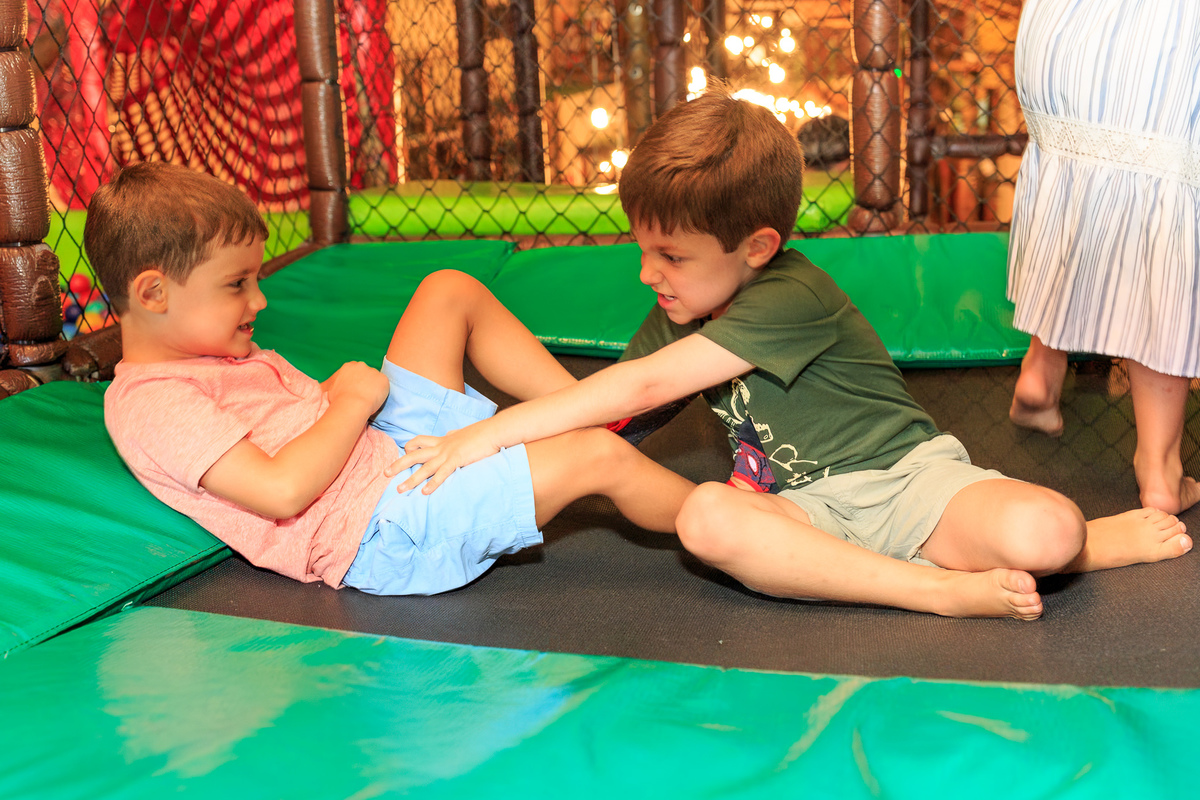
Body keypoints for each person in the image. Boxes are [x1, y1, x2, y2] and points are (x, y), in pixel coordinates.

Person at [389, 90, 1192, 620]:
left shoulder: (792, 294)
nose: (647, 274)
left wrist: (484, 435)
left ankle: (1090, 544)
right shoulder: (680, 306)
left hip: (907, 485)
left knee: (1049, 534)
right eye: (643, 250)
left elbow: (641, 385)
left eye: (671, 256)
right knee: (706, 519)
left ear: (757, 247)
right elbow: (617, 418)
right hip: (803, 515)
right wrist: (483, 456)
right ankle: (934, 592)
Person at [94, 162, 693, 596]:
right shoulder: (153, 404)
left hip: (383, 451)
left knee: (448, 291)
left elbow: (289, 426)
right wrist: (348, 403)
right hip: (381, 528)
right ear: (153, 292)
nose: (260, 299)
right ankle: (722, 521)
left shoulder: (207, 350)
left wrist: (336, 401)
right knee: (595, 457)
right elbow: (281, 492)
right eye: (236, 285)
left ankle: (588, 405)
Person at [1006, 0, 1200, 515]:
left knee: (1080, 169)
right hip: (1162, 45)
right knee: (1163, 180)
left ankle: (1040, 372)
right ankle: (1160, 470)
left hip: (1067, 35)